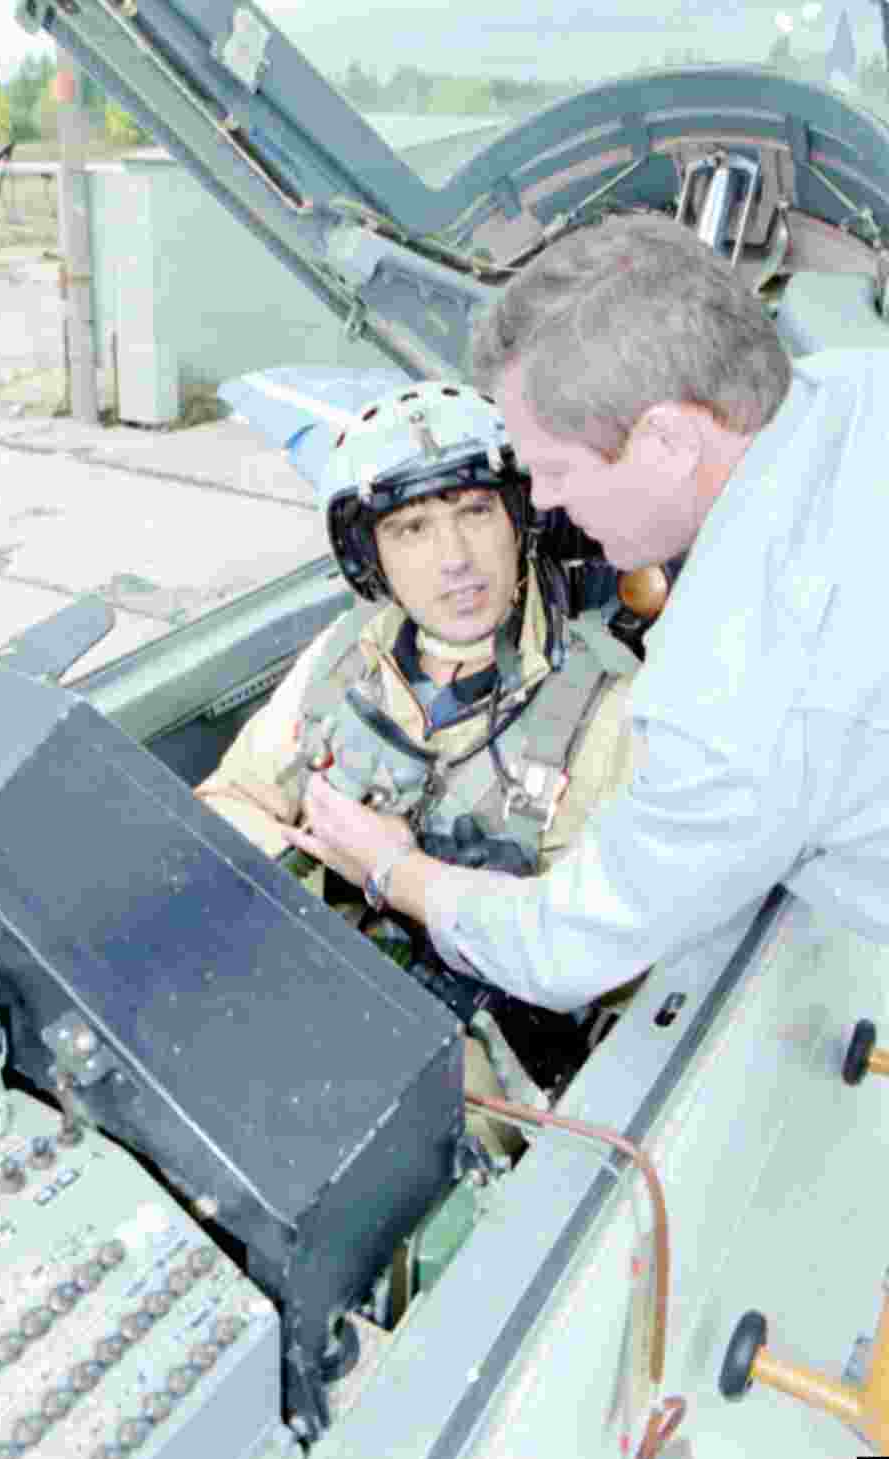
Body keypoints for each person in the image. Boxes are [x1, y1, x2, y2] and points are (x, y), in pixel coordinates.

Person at [284, 211, 889, 1012]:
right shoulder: (856, 384)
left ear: (669, 441)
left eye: (554, 468)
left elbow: (568, 946)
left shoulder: (733, 693)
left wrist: (396, 870)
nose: (542, 501)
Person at [194, 379, 641, 1102]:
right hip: (330, 981)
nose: (455, 557)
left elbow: (607, 961)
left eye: (474, 512)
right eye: (412, 528)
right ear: (369, 555)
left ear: (518, 518)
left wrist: (396, 872)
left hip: (488, 1067)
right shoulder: (344, 656)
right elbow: (230, 801)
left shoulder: (605, 709)